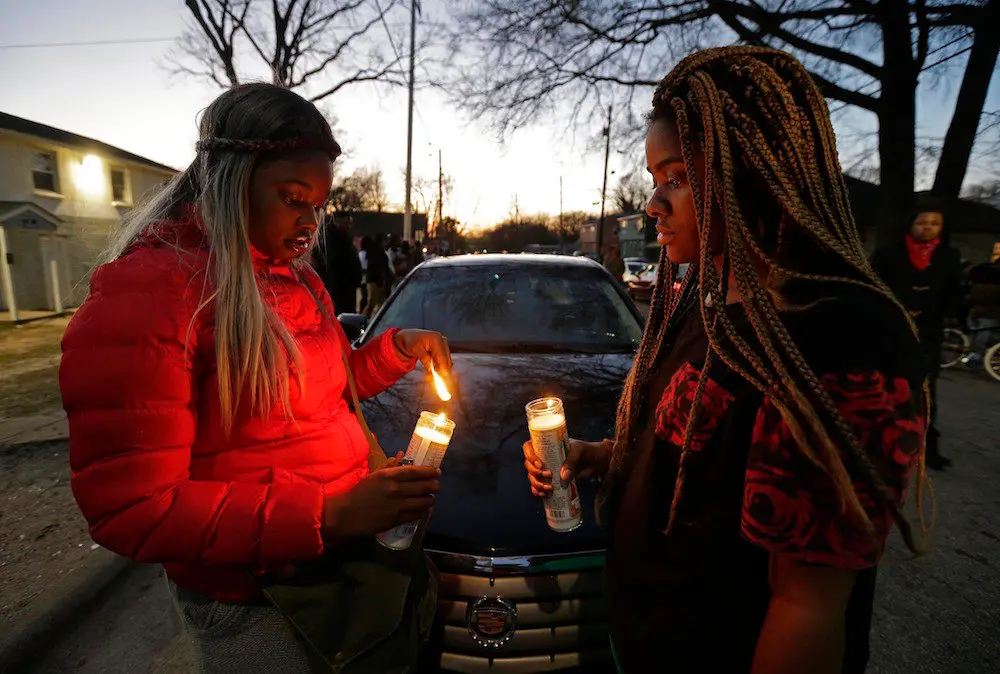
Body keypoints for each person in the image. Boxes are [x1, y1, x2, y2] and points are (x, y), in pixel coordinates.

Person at [523, 47, 929, 674]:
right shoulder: (708, 301)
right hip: (644, 638)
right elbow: (695, 445)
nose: (654, 205)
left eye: (678, 177)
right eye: (656, 181)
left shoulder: (836, 334)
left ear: (756, 173)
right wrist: (600, 456)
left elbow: (807, 607)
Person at [60, 83, 455, 673]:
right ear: (231, 179)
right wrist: (330, 515)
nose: (309, 223)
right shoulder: (151, 296)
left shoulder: (292, 279)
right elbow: (132, 507)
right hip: (257, 599)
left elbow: (324, 388)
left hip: (338, 567)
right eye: (294, 198)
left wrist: (394, 350)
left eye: (318, 206)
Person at [872, 197, 963, 470]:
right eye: (922, 221)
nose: (928, 227)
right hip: (892, 332)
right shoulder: (888, 254)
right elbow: (874, 287)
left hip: (929, 334)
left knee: (925, 389)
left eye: (935, 223)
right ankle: (883, 443)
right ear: (911, 223)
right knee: (887, 386)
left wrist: (951, 314)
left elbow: (955, 291)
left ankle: (927, 449)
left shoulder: (948, 256)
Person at [312, 214, 362, 314]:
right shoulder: (329, 241)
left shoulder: (345, 241)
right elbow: (320, 262)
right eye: (346, 223)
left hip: (347, 290)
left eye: (350, 223)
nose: (348, 226)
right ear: (337, 222)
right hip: (336, 291)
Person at [966, 254, 1000, 352]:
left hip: (974, 314)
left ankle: (970, 359)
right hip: (990, 316)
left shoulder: (977, 287)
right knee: (984, 341)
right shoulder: (996, 290)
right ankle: (976, 361)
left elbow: (970, 300)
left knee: (974, 339)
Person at [364, 233, 390, 318]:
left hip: (379, 281)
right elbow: (375, 268)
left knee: (380, 304)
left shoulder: (382, 254)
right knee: (371, 303)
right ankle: (364, 319)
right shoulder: (374, 253)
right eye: (385, 240)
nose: (386, 243)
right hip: (373, 281)